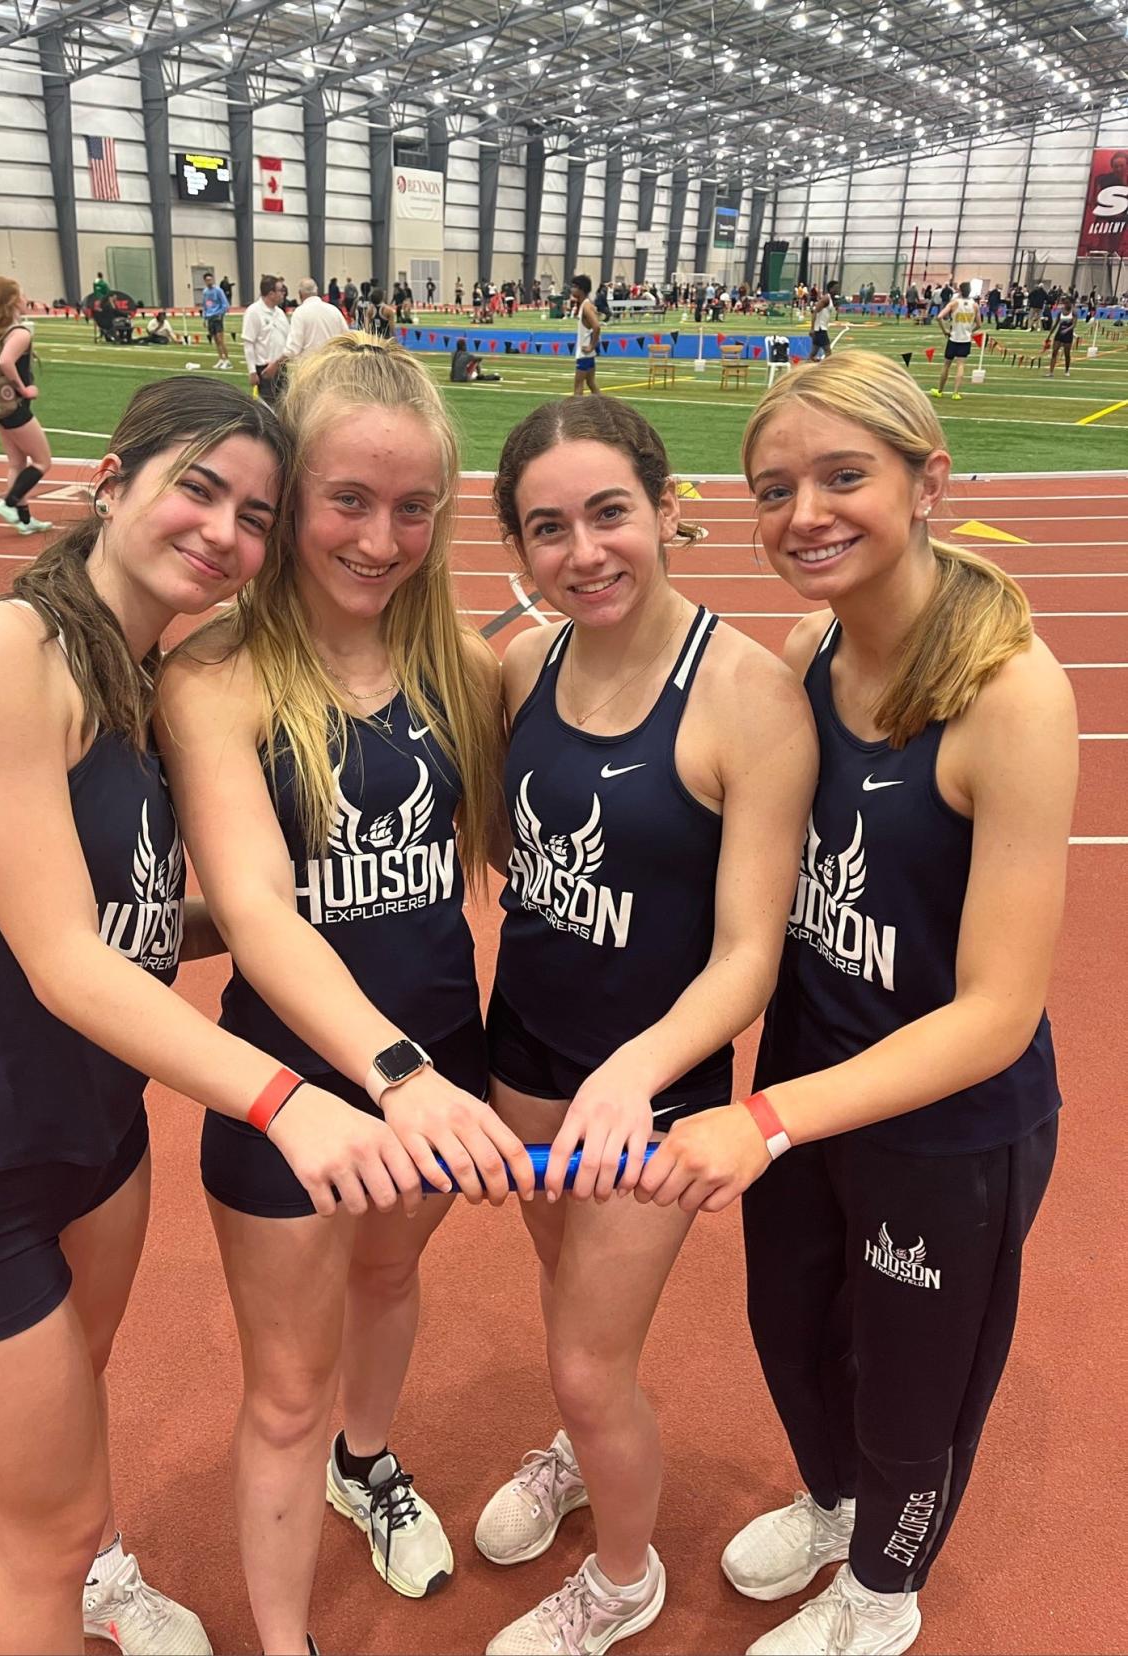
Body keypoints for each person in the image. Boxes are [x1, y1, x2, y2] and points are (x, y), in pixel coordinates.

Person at [0, 376, 433, 1656]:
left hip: (98, 1142)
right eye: (198, 487)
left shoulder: (135, 681)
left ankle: (101, 1566)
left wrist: (257, 921)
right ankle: (80, 1566)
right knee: (41, 1532)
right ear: (113, 478)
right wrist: (290, 1101)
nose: (224, 531)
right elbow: (68, 962)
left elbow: (129, 926)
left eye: (254, 512)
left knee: (76, 1420)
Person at [636, 350, 1073, 1656]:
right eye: (773, 488)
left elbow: (994, 1012)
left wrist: (763, 1120)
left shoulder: (1012, 698)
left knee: (911, 1387)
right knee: (787, 1328)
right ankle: (833, 1508)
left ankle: (881, 1593)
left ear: (927, 481)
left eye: (842, 477)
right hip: (808, 1084)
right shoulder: (806, 646)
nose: (803, 514)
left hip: (944, 1128)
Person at [154, 334, 533, 1654]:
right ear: (295, 493)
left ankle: (365, 1466)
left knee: (386, 1281)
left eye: (413, 506)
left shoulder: (467, 669)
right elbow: (254, 908)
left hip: (439, 1066)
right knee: (279, 1392)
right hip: (303, 1092)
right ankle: (283, 1638)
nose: (382, 538)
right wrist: (390, 1071)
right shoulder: (215, 674)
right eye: (348, 501)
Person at [475, 396, 817, 1655]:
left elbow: (748, 956)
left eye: (610, 512)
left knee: (585, 1357)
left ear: (670, 511)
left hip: (654, 1084)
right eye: (548, 528)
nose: (585, 551)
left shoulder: (747, 697)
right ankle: (576, 1453)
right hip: (523, 1056)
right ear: (519, 552)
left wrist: (640, 1069)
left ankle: (625, 1582)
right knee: (566, 1293)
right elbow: (508, 859)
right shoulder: (523, 665)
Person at [0, 276, 53, 537]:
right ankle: (9, 503)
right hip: (15, 406)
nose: (26, 299)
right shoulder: (20, 333)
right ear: (14, 300)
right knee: (42, 461)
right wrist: (24, 389)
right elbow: (5, 361)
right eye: (22, 295)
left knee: (16, 462)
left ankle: (24, 520)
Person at [242, 273, 291, 404]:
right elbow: (248, 343)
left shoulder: (280, 313)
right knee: (269, 409)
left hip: (281, 367)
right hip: (264, 370)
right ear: (271, 294)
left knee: (284, 407)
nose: (283, 294)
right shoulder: (254, 312)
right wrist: (252, 372)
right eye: (281, 290)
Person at [930, 279, 979, 399]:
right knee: (960, 366)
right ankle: (955, 393)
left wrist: (944, 330)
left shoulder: (954, 303)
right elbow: (979, 324)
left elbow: (939, 317)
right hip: (965, 339)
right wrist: (970, 332)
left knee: (946, 365)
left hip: (953, 337)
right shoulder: (975, 305)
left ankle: (940, 391)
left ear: (960, 291)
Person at [285, 275, 349, 360]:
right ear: (317, 291)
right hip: (334, 364)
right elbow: (347, 337)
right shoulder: (334, 310)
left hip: (310, 366)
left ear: (300, 294)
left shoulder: (299, 313)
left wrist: (277, 361)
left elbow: (294, 347)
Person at [569, 274, 602, 396]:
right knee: (591, 383)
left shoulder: (586, 306)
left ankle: (576, 413)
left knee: (578, 386)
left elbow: (597, 327)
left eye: (574, 287)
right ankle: (604, 408)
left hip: (584, 352)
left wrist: (591, 346)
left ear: (581, 289)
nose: (572, 290)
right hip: (587, 352)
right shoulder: (585, 305)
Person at [200, 271, 232, 368]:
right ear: (205, 281)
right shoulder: (205, 292)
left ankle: (227, 359)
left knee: (220, 339)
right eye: (207, 280)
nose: (209, 281)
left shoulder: (218, 290)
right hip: (210, 317)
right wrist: (204, 318)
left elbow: (225, 304)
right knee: (215, 340)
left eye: (210, 279)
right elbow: (205, 305)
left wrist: (220, 313)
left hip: (217, 317)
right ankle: (221, 359)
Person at [1046, 295, 1076, 376]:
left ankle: (1067, 370)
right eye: (1065, 303)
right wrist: (1049, 335)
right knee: (1054, 352)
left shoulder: (1073, 313)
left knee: (1067, 354)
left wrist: (1066, 330)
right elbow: (1055, 324)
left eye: (1067, 303)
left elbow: (1074, 325)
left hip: (1068, 335)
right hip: (1059, 334)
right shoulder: (1060, 313)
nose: (1066, 305)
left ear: (1071, 303)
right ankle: (1051, 372)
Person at [810, 287, 836, 360]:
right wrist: (812, 328)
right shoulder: (826, 299)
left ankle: (806, 366)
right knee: (828, 352)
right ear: (830, 288)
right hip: (821, 329)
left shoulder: (830, 299)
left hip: (820, 328)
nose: (837, 290)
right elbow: (815, 312)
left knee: (813, 354)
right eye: (835, 287)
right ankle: (826, 369)